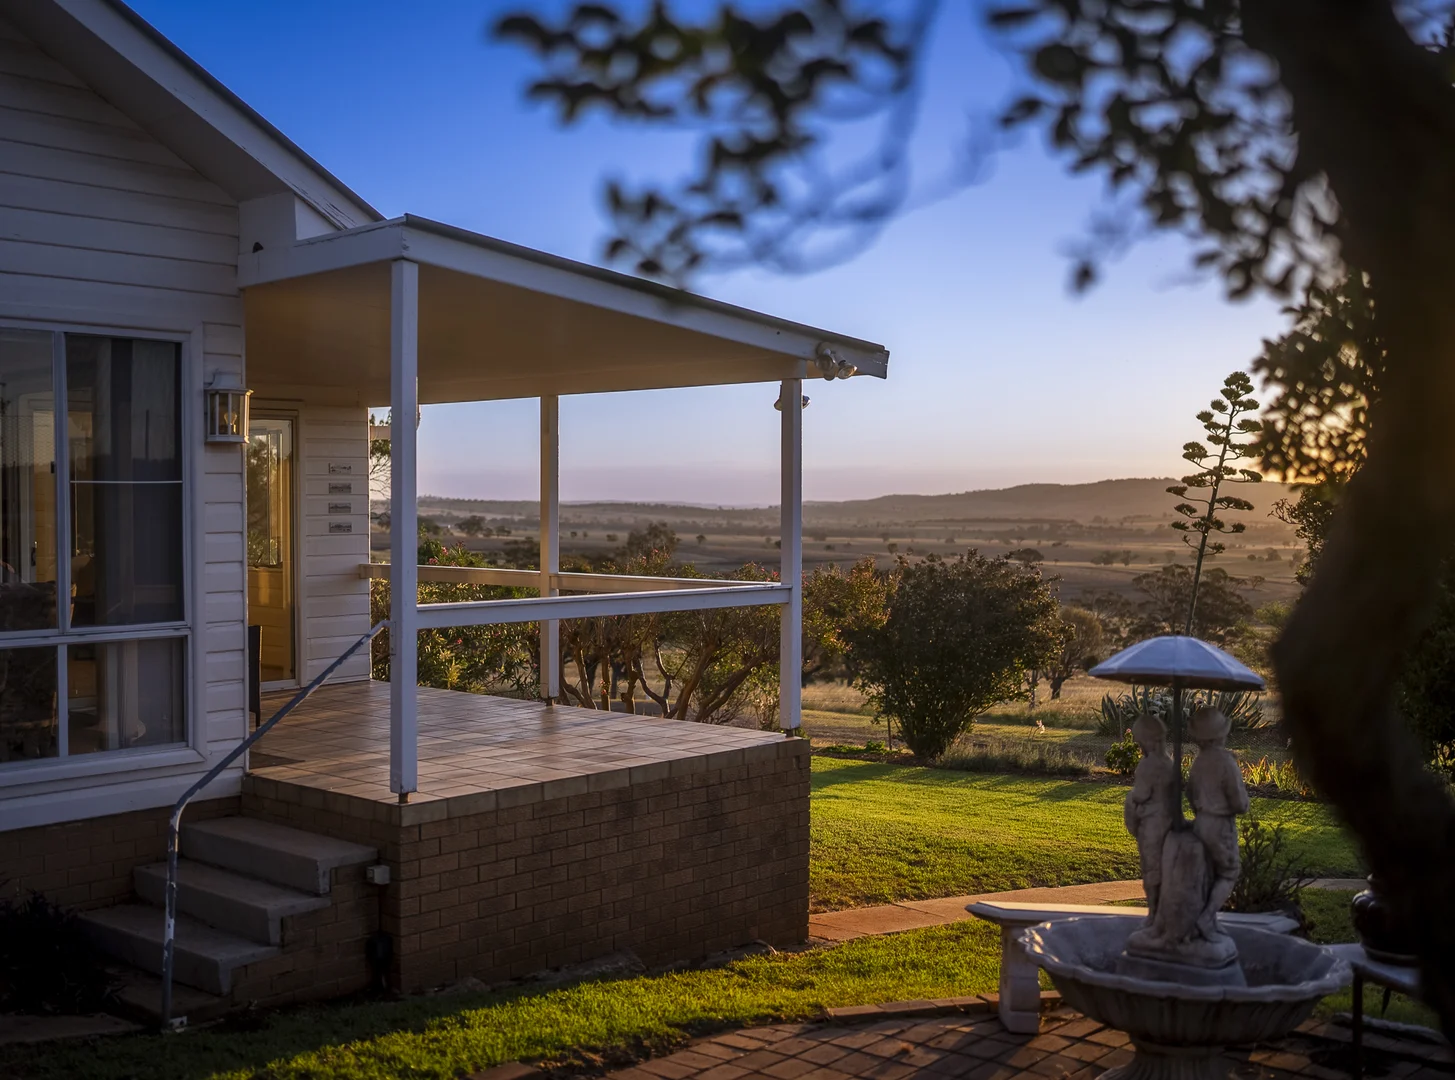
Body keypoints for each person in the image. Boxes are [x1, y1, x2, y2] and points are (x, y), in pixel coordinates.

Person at [1187, 705, 1250, 938]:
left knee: (1206, 873)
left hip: (1201, 822)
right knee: (1228, 871)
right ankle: (1205, 918)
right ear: (1221, 734)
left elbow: (1190, 794)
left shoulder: (1199, 761)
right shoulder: (1226, 762)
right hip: (1220, 825)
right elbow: (1239, 802)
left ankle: (1203, 919)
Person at [1123, 712, 1177, 920]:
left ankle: (1156, 914)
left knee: (1152, 870)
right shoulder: (1168, 761)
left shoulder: (1149, 764)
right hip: (1169, 820)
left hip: (1153, 823)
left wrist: (1131, 799)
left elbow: (1142, 794)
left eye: (1140, 742)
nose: (1139, 746)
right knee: (1165, 867)